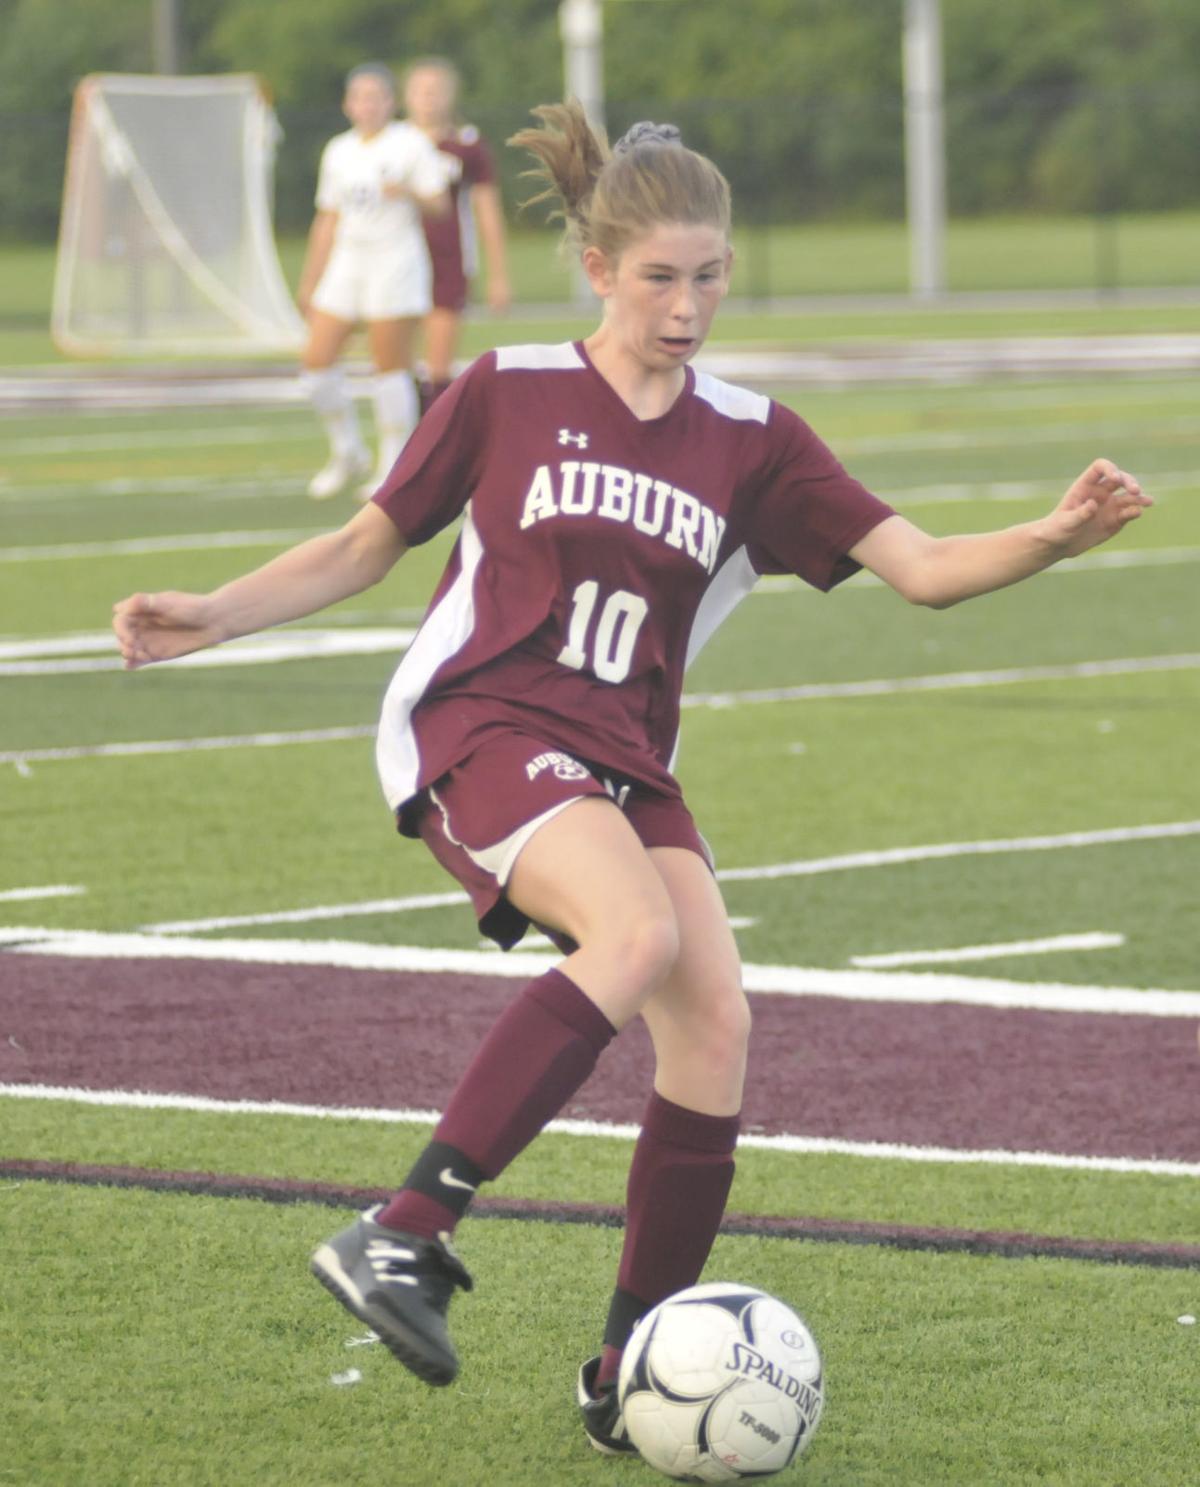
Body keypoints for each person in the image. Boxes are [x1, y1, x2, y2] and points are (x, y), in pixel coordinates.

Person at [112, 102, 1150, 1457]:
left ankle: (627, 1362)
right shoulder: (507, 387)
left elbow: (925, 567)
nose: (688, 303)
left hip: (621, 756)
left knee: (713, 1019)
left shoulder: (753, 437)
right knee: (639, 930)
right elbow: (365, 545)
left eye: (710, 275)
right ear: (598, 268)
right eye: (660, 275)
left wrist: (1056, 535)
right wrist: (215, 613)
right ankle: (402, 1230)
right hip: (480, 718)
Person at [297, 62, 451, 502]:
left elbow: (439, 203)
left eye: (376, 96)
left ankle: (392, 463)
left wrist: (409, 193)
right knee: (316, 363)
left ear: (390, 102)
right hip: (349, 262)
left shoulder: (410, 144)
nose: (367, 105)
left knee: (389, 366)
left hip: (395, 262)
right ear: (348, 104)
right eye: (359, 97)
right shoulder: (338, 151)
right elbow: (327, 217)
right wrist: (310, 280)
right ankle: (347, 451)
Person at [403, 57, 511, 410]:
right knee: (395, 367)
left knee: (437, 367)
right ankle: (398, 449)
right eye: (421, 91)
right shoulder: (392, 143)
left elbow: (487, 211)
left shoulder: (466, 145)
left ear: (451, 95)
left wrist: (498, 275)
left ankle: (433, 448)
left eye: (436, 91)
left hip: (447, 260)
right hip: (396, 262)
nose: (428, 98)